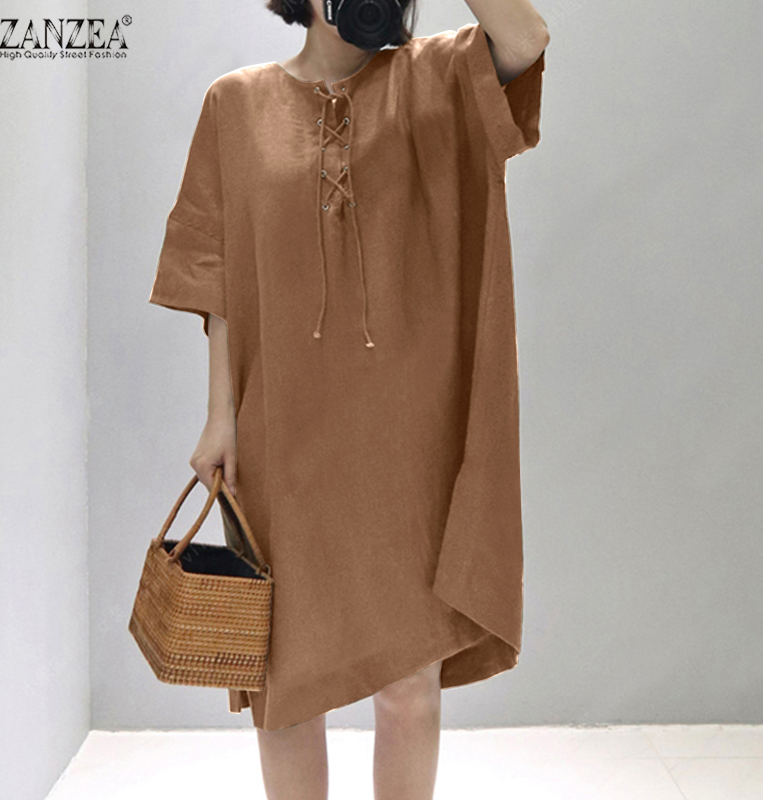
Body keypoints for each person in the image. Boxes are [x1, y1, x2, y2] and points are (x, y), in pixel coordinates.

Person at [149, 0, 549, 797]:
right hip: (283, 435)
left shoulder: (439, 77)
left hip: (409, 442)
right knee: (285, 687)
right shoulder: (236, 104)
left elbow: (526, 38)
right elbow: (215, 273)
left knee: (410, 683)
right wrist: (220, 416)